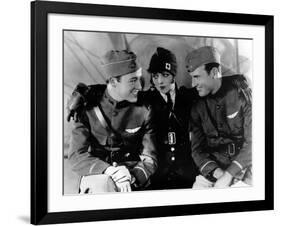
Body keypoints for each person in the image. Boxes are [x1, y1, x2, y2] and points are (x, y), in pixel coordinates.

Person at [67, 50, 158, 193]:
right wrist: (109, 171)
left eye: (139, 79)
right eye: (133, 80)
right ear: (114, 82)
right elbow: (76, 155)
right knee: (102, 186)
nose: (140, 87)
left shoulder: (145, 109)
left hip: (132, 178)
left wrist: (131, 177)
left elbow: (150, 158)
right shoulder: (87, 105)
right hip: (98, 175)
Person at [185, 46, 252, 188]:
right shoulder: (197, 105)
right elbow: (197, 151)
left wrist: (230, 174)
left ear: (214, 72)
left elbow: (256, 142)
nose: (193, 84)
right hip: (214, 171)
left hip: (245, 169)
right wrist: (218, 174)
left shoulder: (241, 92)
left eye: (197, 77)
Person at [142, 47, 198, 189]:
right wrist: (86, 92)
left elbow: (213, 85)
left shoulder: (188, 97)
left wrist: (237, 80)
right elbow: (118, 90)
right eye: (155, 76)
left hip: (188, 175)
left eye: (165, 75)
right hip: (157, 177)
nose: (160, 81)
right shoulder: (146, 100)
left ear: (173, 75)